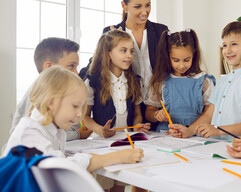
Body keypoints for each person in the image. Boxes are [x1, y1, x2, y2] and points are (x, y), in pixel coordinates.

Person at [3, 66, 144, 173]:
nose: (79, 115)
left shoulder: (56, 130)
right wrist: (117, 157)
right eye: (75, 106)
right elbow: (62, 167)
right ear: (51, 102)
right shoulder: (30, 131)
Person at [79, 0, 168, 131]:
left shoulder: (161, 31)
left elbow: (169, 66)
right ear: (124, 5)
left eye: (148, 5)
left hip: (157, 107)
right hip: (130, 105)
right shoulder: (112, 32)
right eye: (137, 6)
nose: (144, 11)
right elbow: (96, 62)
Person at [83, 30, 150, 191]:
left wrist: (138, 126)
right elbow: (84, 117)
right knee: (103, 187)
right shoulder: (93, 81)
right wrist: (99, 130)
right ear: (108, 54)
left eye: (131, 51)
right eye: (123, 50)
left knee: (119, 188)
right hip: (101, 147)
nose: (129, 56)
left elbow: (137, 115)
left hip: (125, 144)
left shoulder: (134, 81)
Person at [169, 22, 241, 140]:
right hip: (218, 146)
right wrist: (189, 130)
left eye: (234, 44)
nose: (228, 50)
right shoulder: (222, 81)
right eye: (225, 45)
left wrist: (219, 130)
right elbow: (208, 114)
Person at [10, 37, 92, 141]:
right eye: (71, 66)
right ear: (49, 67)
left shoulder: (62, 93)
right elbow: (40, 136)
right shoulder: (38, 92)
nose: (76, 73)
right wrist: (77, 134)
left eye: (76, 67)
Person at [145, 29, 216, 132]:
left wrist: (189, 130)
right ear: (167, 56)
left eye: (187, 60)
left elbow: (208, 114)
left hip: (195, 133)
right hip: (167, 133)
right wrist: (156, 115)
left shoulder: (204, 81)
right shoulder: (161, 81)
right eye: (176, 60)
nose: (181, 65)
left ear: (194, 55)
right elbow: (149, 112)